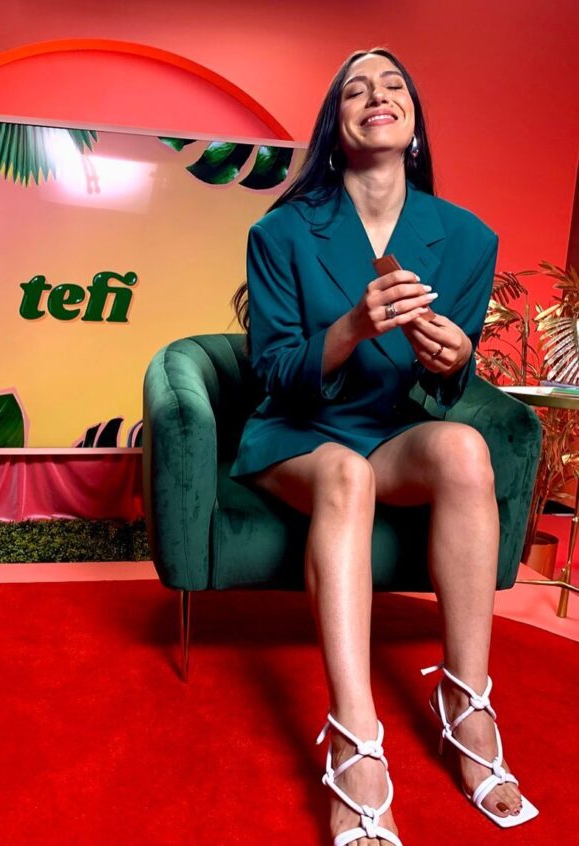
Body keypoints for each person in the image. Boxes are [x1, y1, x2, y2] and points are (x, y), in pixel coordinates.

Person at [228, 47, 538, 845]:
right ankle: (355, 737)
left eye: (394, 85)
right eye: (356, 89)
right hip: (300, 432)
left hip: (391, 428)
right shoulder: (281, 232)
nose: (378, 95)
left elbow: (443, 388)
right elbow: (274, 371)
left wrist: (455, 360)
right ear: (336, 128)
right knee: (344, 477)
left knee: (465, 450)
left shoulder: (466, 238)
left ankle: (467, 701)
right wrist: (352, 327)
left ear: (413, 125)